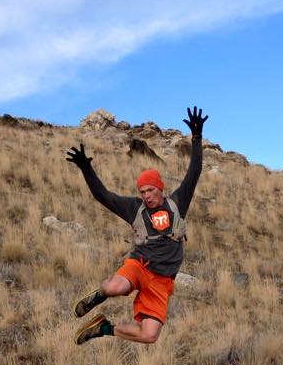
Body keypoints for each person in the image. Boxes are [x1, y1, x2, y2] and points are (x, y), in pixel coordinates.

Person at [66, 106, 207, 345]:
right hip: (139, 265)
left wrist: (196, 138)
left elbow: (194, 171)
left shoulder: (177, 203)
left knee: (149, 335)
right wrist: (86, 169)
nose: (146, 196)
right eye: (142, 191)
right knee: (115, 287)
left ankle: (103, 328)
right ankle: (98, 296)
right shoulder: (135, 209)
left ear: (160, 187)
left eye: (150, 190)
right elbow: (104, 196)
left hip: (162, 281)